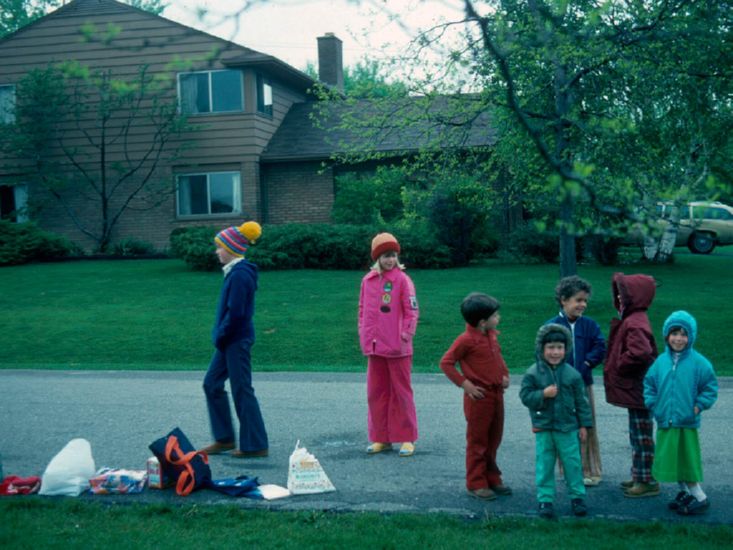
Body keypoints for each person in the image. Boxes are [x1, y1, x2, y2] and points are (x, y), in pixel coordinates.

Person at [199, 221, 269, 458]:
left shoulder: (240, 274)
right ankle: (224, 439)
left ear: (231, 248)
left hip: (236, 340)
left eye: (219, 247)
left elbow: (237, 313)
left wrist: (221, 334)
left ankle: (256, 444)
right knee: (211, 384)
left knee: (241, 389)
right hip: (228, 339)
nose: (216, 251)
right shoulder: (233, 273)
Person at [644, 311, 718, 515]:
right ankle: (685, 492)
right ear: (667, 335)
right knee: (673, 459)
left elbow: (710, 387)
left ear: (691, 337)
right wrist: (653, 404)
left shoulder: (699, 363)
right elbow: (649, 383)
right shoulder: (661, 362)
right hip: (666, 420)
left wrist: (698, 405)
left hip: (686, 422)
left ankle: (700, 496)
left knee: (686, 460)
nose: (678, 338)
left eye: (683, 334)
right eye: (674, 333)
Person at [439, 293, 511, 500]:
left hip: (497, 394)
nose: (499, 318)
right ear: (482, 322)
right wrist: (466, 385)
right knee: (478, 441)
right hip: (479, 398)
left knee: (493, 439)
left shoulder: (491, 335)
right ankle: (476, 482)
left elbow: (498, 358)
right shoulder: (466, 340)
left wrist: (505, 375)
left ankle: (492, 477)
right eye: (495, 316)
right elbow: (446, 363)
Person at [520, 324, 593, 519]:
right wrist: (543, 394)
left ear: (566, 349)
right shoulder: (533, 373)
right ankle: (545, 500)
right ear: (542, 349)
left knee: (573, 463)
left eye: (559, 348)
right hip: (543, 427)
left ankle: (577, 498)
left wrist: (584, 425)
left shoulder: (573, 375)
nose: (555, 352)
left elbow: (582, 402)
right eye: (550, 347)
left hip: (568, 428)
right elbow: (525, 396)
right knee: (544, 464)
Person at [359, 232, 419, 457]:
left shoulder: (403, 280)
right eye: (385, 256)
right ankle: (381, 438)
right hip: (375, 347)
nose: (390, 260)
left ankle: (407, 438)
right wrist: (363, 333)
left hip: (398, 348)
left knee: (401, 393)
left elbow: (412, 311)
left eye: (393, 255)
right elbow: (362, 310)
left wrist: (405, 335)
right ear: (377, 258)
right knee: (376, 393)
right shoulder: (368, 280)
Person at [546, 276, 606, 486]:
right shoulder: (551, 327)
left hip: (583, 386)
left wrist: (588, 364)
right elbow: (542, 354)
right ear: (563, 300)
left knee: (586, 425)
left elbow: (600, 347)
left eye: (585, 301)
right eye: (578, 300)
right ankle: (570, 470)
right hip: (560, 387)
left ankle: (589, 470)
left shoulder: (589, 325)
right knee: (565, 428)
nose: (583, 305)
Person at [604, 272, 659, 497]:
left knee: (642, 437)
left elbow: (641, 353)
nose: (620, 299)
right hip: (637, 390)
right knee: (637, 435)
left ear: (634, 298)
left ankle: (646, 480)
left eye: (623, 295)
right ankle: (640, 475)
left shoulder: (635, 322)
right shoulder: (634, 319)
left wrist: (619, 364)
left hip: (639, 390)